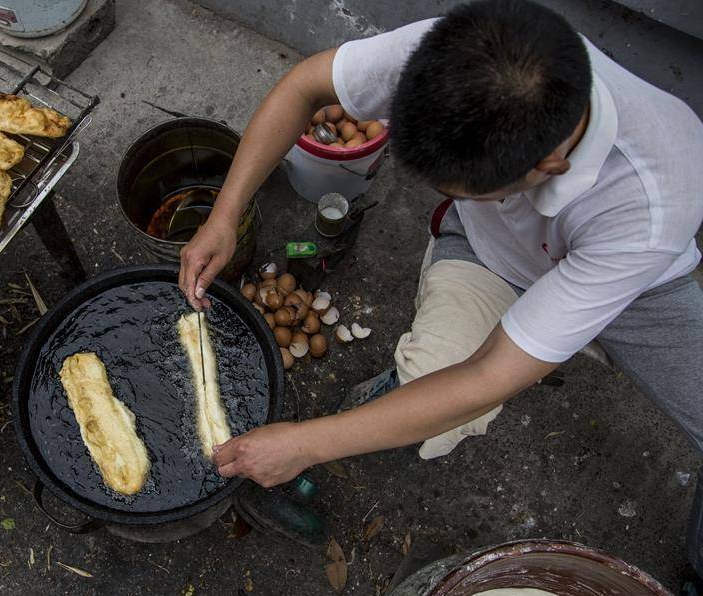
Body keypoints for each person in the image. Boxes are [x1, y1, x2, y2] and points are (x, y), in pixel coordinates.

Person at [178, 0, 703, 589]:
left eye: (469, 191)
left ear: (551, 165)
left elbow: (490, 375)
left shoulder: (652, 202)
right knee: (430, 394)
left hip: (639, 287)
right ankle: (389, 396)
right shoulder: (459, 54)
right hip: (496, 255)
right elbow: (304, 87)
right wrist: (226, 214)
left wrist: (303, 445)